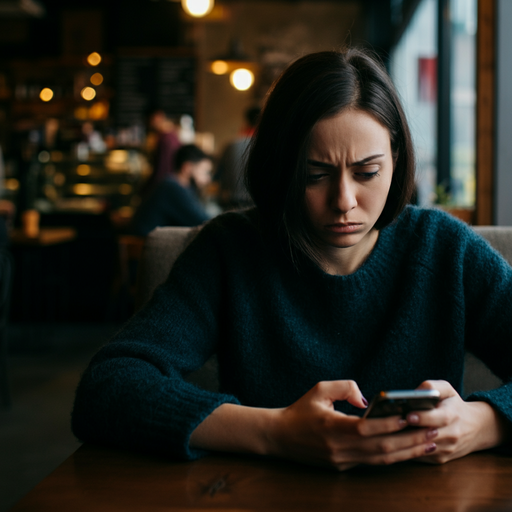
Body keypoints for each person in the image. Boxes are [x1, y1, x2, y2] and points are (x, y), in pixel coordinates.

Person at [72, 48, 512, 471]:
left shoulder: (444, 248)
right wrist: (275, 432)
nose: (344, 201)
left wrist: (483, 423)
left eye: (367, 173)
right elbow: (107, 387)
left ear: (396, 160)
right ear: (283, 167)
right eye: (314, 174)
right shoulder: (231, 250)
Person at [130, 144, 212, 236]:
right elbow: (205, 222)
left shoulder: (171, 184)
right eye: (205, 172)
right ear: (187, 168)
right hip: (145, 246)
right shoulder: (173, 188)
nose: (208, 179)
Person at [215, 106, 260, 209]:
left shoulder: (231, 145)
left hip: (231, 204)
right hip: (257, 206)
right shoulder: (269, 147)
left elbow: (217, 176)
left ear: (246, 120)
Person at [140, 110, 182, 197]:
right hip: (171, 180)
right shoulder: (171, 134)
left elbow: (162, 166)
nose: (152, 123)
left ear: (160, 117)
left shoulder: (165, 138)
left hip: (165, 181)